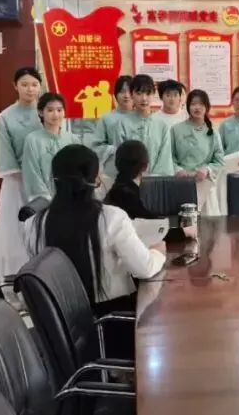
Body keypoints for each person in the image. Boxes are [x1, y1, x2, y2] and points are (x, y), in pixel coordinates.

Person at [23, 144, 165, 359]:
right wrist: (158, 252)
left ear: (54, 179)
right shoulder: (111, 217)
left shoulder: (33, 224)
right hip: (114, 325)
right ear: (96, 178)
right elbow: (144, 268)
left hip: (60, 328)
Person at [0, 67, 44, 278]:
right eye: (24, 85)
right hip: (18, 180)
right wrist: (26, 178)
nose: (30, 89)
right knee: (17, 226)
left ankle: (44, 267)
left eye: (34, 85)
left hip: (46, 179)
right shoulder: (5, 117)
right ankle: (17, 271)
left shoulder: (47, 111)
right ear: (15, 86)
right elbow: (5, 154)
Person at [104, 140, 195, 240]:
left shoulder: (118, 189)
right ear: (146, 166)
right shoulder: (125, 194)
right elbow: (152, 229)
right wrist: (184, 232)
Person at [171, 90, 225, 216]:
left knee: (208, 224)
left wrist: (207, 170)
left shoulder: (213, 133)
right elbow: (169, 156)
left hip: (205, 186)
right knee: (184, 222)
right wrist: (178, 169)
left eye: (201, 104)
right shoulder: (176, 130)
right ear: (188, 107)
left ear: (207, 107)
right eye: (193, 104)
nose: (197, 107)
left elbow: (219, 160)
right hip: (182, 183)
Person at [111, 75, 175, 178]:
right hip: (129, 181)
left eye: (148, 93)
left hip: (156, 182)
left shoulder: (162, 126)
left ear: (153, 94)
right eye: (139, 93)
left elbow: (165, 159)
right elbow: (120, 156)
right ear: (132, 94)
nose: (144, 98)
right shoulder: (121, 124)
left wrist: (153, 179)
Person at [22, 92, 82, 202]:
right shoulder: (33, 140)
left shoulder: (73, 139)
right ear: (41, 112)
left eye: (59, 110)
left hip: (71, 199)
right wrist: (45, 199)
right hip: (45, 200)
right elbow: (32, 173)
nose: (56, 114)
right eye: (50, 110)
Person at [88, 75, 134, 195]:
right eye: (122, 91)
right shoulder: (106, 118)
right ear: (115, 95)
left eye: (130, 91)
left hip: (138, 173)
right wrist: (114, 149)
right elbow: (95, 147)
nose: (126, 95)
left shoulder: (142, 118)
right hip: (112, 173)